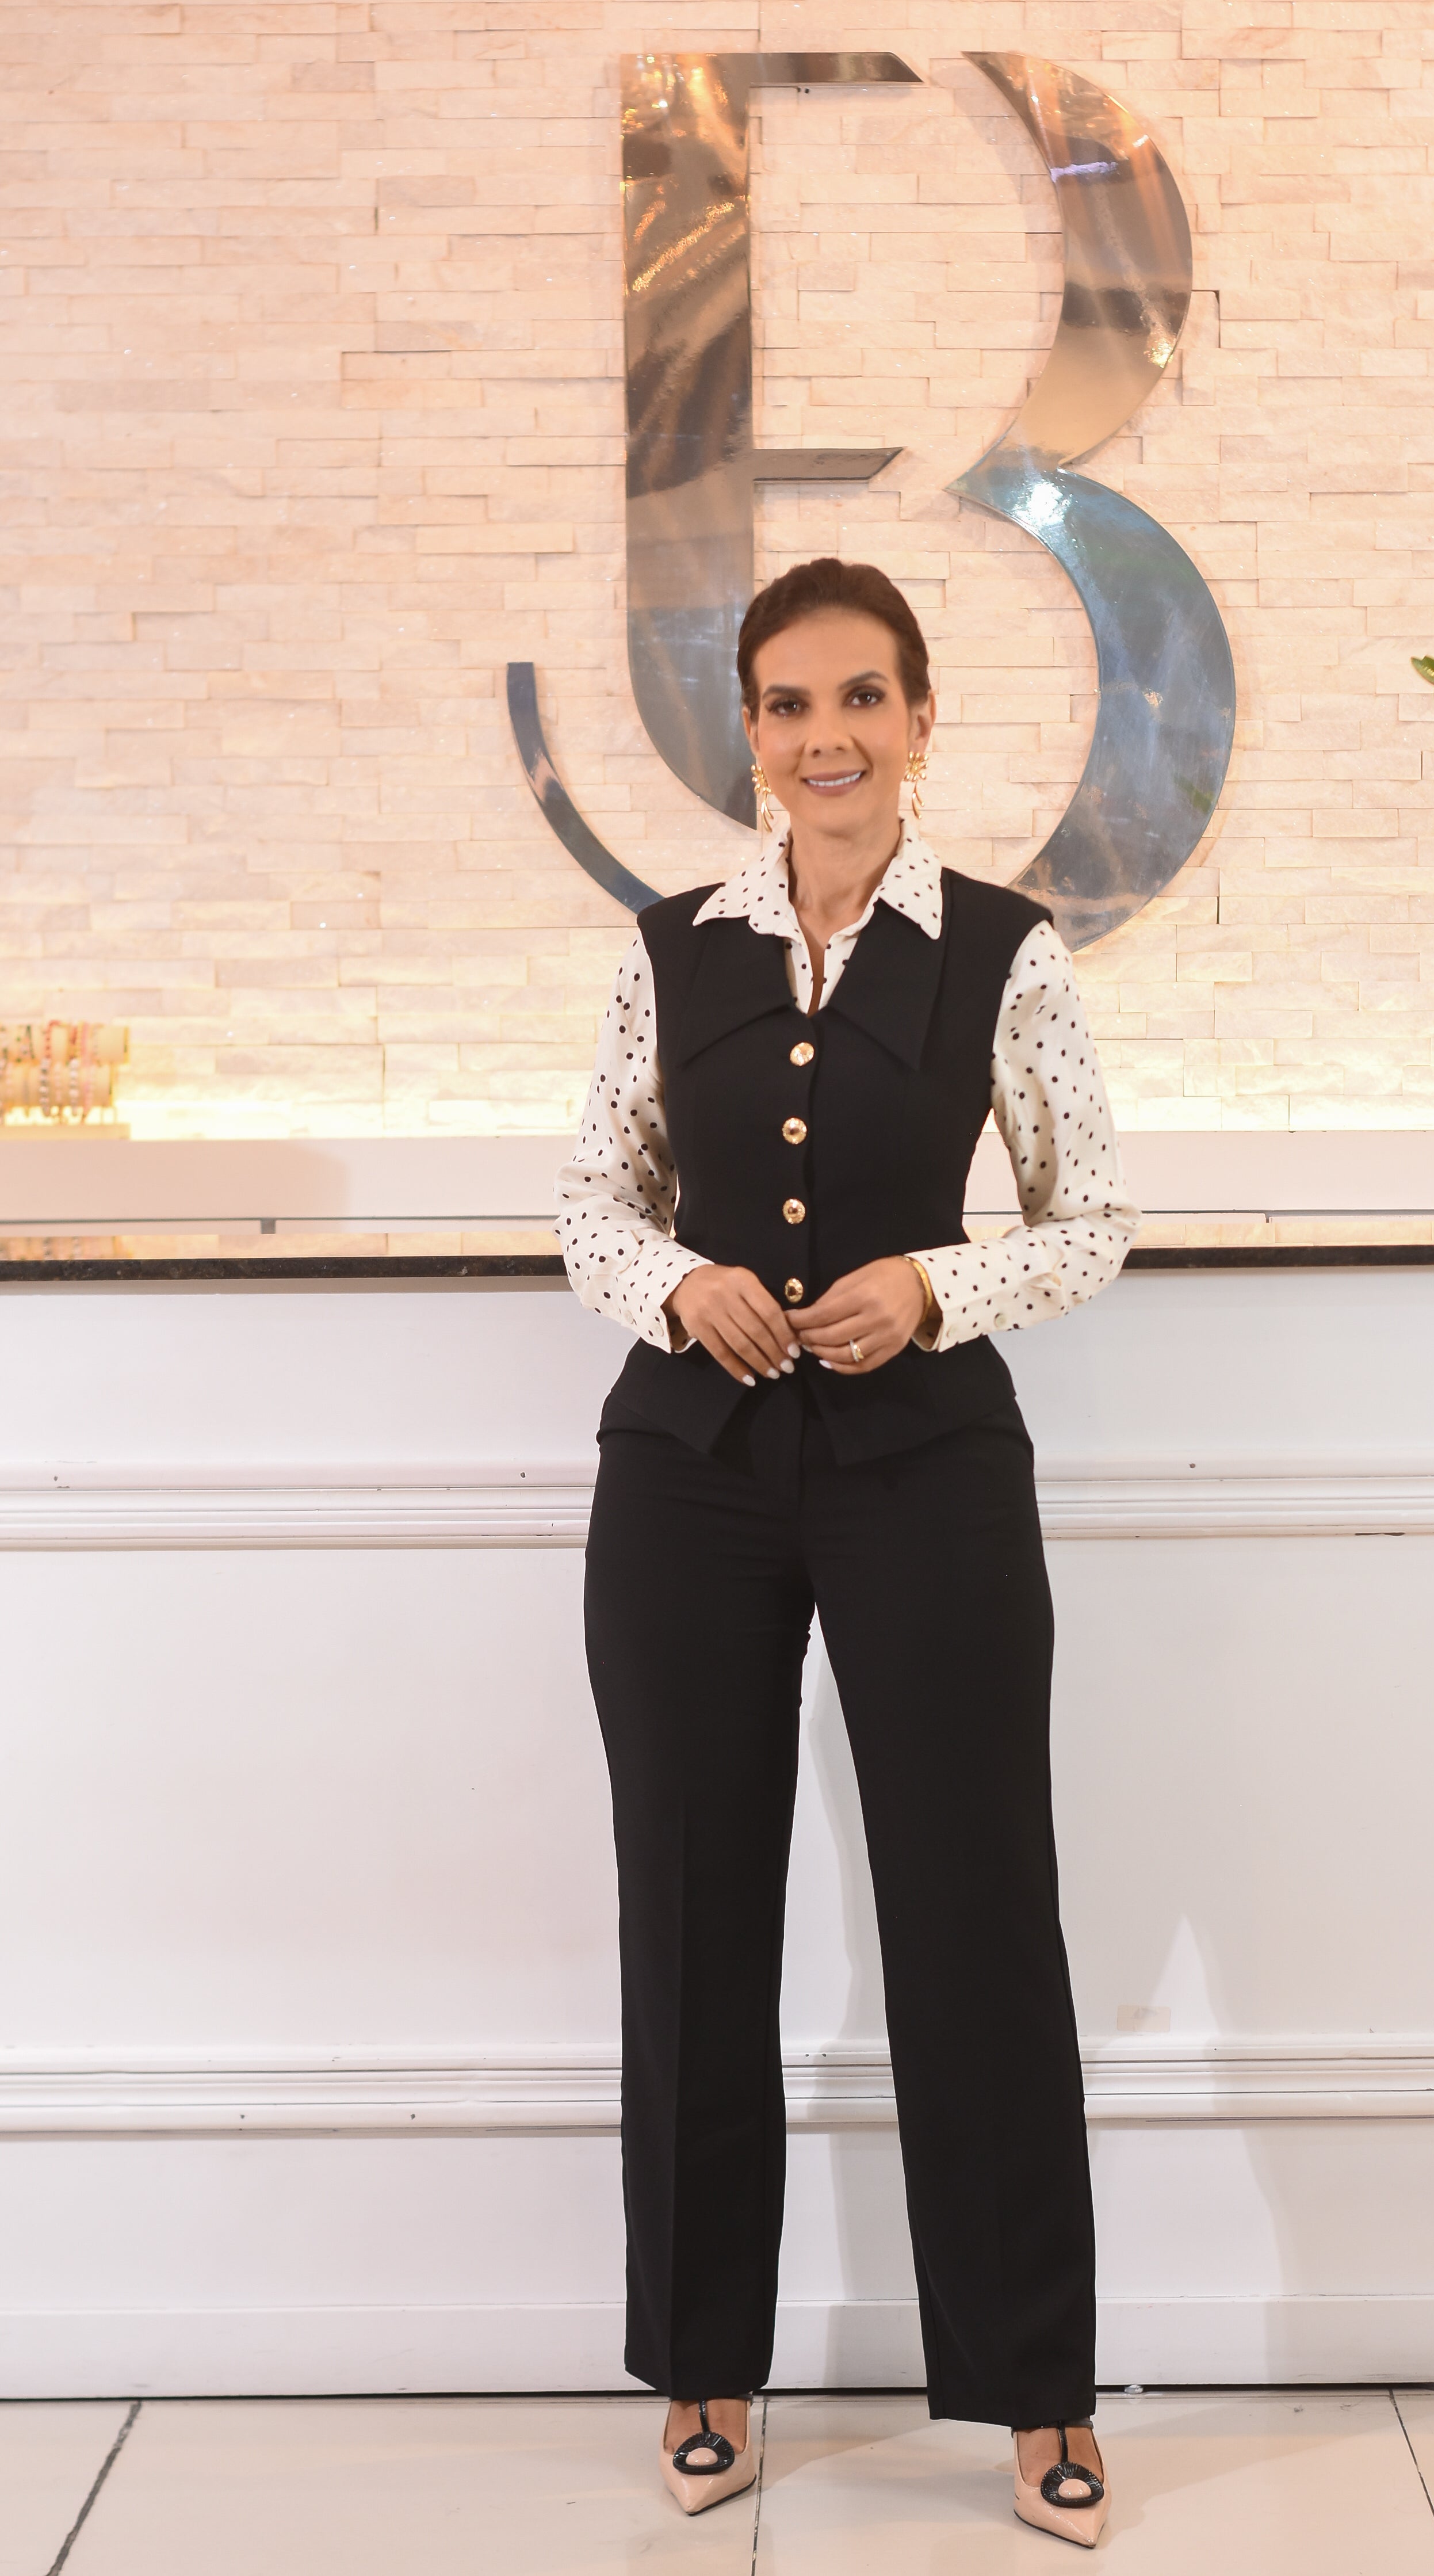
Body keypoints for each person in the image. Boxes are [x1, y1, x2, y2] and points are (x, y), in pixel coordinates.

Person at [556, 557, 1139, 2548]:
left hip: (928, 1471)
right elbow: (589, 1200)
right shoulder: (671, 947)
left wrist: (939, 1285)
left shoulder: (1007, 951)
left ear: (921, 718)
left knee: (978, 1917)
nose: (829, 737)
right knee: (692, 1915)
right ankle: (704, 2363)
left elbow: (1091, 1217)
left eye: (863, 698)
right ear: (752, 731)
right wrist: (676, 1282)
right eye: (792, 704)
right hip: (689, 1479)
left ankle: (1039, 2391)